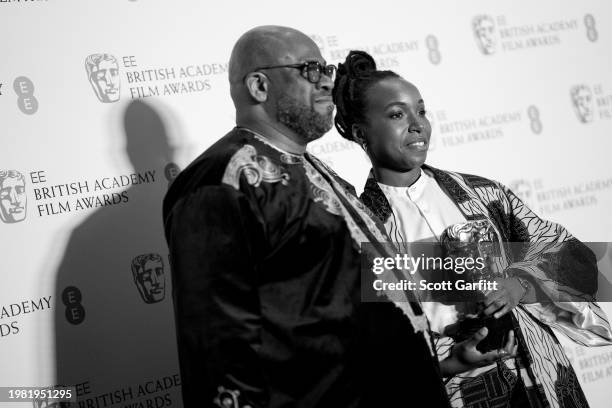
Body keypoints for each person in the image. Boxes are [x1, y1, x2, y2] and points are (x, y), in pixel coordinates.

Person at [163, 27, 451, 408]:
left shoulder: (320, 172)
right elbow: (217, 346)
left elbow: (357, 294)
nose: (327, 83)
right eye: (310, 69)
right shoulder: (224, 180)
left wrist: (439, 359)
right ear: (259, 86)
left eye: (327, 70)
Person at [332, 50, 612, 408]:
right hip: (457, 394)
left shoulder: (484, 194)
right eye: (397, 115)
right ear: (360, 132)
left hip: (542, 380)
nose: (418, 124)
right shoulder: (362, 229)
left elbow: (568, 252)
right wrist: (447, 364)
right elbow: (366, 347)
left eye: (421, 110)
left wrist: (520, 283)